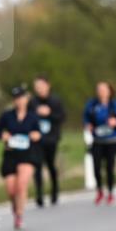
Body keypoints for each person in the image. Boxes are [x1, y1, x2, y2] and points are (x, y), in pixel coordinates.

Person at [0, 85, 42, 229]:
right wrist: (3, 135)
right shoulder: (7, 115)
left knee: (21, 185)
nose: (19, 101)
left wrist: (36, 135)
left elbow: (39, 133)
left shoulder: (33, 116)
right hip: (11, 154)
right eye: (16, 98)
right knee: (11, 190)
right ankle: (15, 208)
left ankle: (20, 215)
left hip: (28, 154)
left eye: (21, 98)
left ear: (26, 99)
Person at [83, 81, 116, 205]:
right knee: (96, 167)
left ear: (109, 91)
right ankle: (99, 191)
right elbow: (86, 118)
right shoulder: (92, 105)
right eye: (99, 90)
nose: (101, 92)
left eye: (104, 90)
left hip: (111, 141)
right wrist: (88, 125)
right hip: (97, 140)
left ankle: (110, 192)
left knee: (109, 168)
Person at [29, 75, 66, 207]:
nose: (39, 89)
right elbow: (27, 118)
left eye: (41, 86)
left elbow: (62, 117)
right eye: (37, 87)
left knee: (50, 165)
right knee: (37, 166)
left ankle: (54, 191)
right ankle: (39, 195)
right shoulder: (32, 102)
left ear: (48, 85)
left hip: (51, 138)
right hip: (37, 139)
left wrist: (49, 114)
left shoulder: (55, 101)